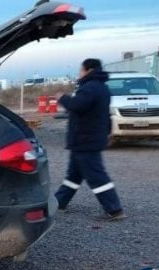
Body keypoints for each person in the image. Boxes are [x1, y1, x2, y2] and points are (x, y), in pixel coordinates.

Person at [54, 58, 125, 222]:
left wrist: (62, 97)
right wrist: (108, 133)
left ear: (88, 70)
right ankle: (59, 202)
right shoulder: (102, 88)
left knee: (97, 176)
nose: (79, 73)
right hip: (87, 140)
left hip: (85, 140)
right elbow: (105, 115)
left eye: (81, 69)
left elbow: (77, 105)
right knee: (73, 175)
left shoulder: (90, 88)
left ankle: (114, 209)